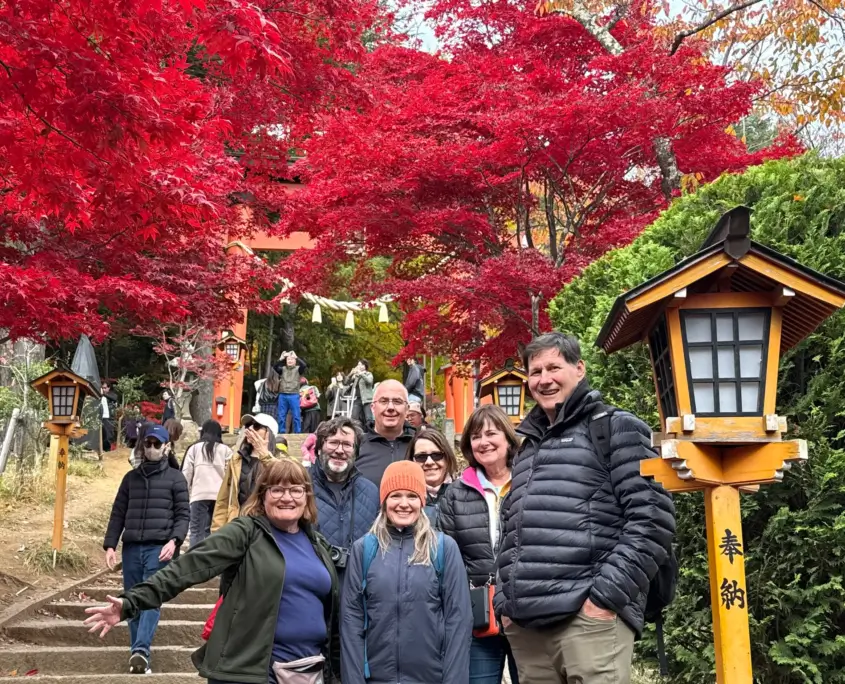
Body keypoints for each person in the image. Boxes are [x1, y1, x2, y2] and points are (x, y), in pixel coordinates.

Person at [495, 333, 676, 684]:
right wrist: (504, 603)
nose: (543, 379)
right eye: (535, 371)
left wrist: (604, 598)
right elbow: (511, 528)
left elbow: (652, 518)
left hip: (588, 619)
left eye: (553, 367)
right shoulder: (528, 446)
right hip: (527, 626)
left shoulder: (615, 427)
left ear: (579, 369)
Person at [85, 459, 340, 684]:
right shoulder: (246, 533)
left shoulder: (316, 543)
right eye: (277, 489)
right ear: (262, 495)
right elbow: (187, 567)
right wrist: (131, 602)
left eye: (296, 490)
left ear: (307, 496)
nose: (287, 497)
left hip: (308, 669)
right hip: (248, 671)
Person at [340, 461, 472, 684]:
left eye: (411, 496)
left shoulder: (442, 548)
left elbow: (458, 621)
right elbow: (351, 621)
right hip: (377, 678)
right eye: (395, 496)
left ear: (421, 500)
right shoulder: (364, 549)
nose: (403, 504)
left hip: (430, 678)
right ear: (384, 501)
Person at [440, 404, 520, 684]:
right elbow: (448, 553)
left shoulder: (529, 482)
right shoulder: (456, 493)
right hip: (477, 615)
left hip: (525, 612)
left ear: (508, 438)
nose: (483, 442)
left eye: (491, 433)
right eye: (475, 436)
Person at [102, 423, 189, 675]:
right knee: (131, 600)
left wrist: (174, 541)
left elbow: (183, 514)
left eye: (156, 444)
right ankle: (137, 655)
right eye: (147, 444)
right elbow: (118, 512)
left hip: (159, 547)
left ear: (166, 447)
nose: (151, 448)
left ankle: (140, 651)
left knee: (151, 597)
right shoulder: (131, 478)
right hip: (131, 548)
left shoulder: (176, 478)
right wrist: (110, 545)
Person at [311, 417, 379, 578]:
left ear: (355, 453)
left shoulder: (370, 492)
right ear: (319, 448)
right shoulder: (300, 487)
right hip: (312, 585)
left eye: (347, 445)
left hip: (357, 586)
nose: (340, 450)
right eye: (333, 442)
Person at [212, 413, 278, 533]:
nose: (251, 429)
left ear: (269, 433)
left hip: (266, 528)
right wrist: (217, 531)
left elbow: (283, 477)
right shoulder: (237, 459)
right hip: (238, 525)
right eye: (248, 426)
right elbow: (224, 498)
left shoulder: (280, 460)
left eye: (257, 426)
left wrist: (264, 455)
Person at [181, 420, 232, 546]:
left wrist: (184, 496)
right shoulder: (226, 450)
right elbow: (230, 476)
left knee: (196, 533)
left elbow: (186, 474)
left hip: (199, 495)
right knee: (214, 532)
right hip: (219, 497)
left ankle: (194, 561)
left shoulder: (194, 449)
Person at [356, 380, 415, 489]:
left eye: (397, 401)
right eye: (384, 401)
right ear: (373, 408)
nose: (390, 408)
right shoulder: (356, 445)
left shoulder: (419, 445)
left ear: (407, 409)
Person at [406, 428, 459, 529]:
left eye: (436, 455)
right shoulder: (403, 500)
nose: (429, 462)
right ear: (412, 461)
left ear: (447, 458)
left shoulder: (464, 494)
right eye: (421, 457)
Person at [344, 360, 374, 425]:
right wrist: (351, 374)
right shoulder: (356, 376)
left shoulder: (368, 374)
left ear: (364, 366)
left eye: (360, 364)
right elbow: (346, 383)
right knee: (354, 418)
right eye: (358, 365)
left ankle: (370, 433)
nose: (358, 366)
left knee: (368, 418)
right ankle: (357, 433)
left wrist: (361, 374)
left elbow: (369, 381)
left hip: (366, 400)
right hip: (356, 399)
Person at [100, 381, 118, 453]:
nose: (103, 389)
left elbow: (115, 398)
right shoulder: (100, 396)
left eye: (105, 388)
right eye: (102, 388)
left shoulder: (111, 395)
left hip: (109, 417)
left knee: (108, 435)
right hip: (101, 417)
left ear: (108, 388)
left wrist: (103, 394)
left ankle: (107, 450)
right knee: (101, 435)